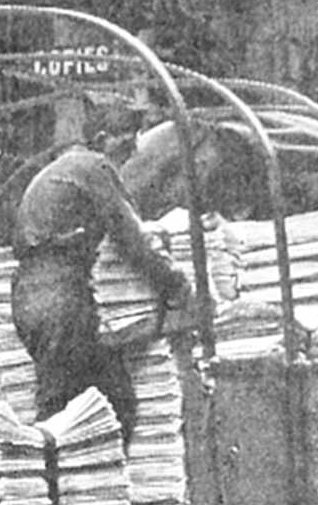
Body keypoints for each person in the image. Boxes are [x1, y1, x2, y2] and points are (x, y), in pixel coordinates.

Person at [12, 136, 192, 432]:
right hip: (59, 292)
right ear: (108, 142)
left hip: (29, 292)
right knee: (68, 406)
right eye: (128, 152)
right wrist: (175, 284)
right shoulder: (93, 167)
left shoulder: (57, 172)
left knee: (106, 398)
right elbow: (130, 235)